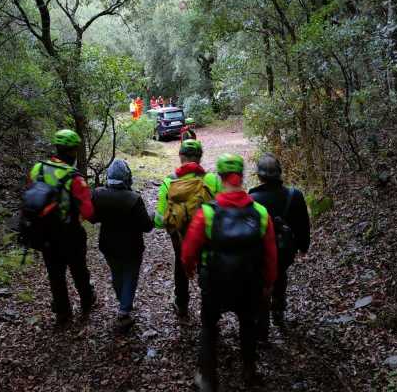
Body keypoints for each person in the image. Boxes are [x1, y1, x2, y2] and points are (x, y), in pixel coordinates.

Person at [182, 154, 277, 391]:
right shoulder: (261, 213)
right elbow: (271, 254)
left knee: (209, 325)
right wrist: (268, 282)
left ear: (220, 177)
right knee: (247, 324)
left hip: (215, 282)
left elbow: (188, 251)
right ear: (242, 176)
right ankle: (249, 370)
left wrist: (190, 269)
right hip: (249, 282)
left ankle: (207, 377)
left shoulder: (208, 213)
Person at [26, 129, 96, 326]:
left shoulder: (37, 169)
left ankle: (63, 314)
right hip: (70, 233)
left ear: (57, 148)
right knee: (79, 270)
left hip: (44, 233)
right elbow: (89, 212)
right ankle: (87, 300)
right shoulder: (74, 177)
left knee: (55, 275)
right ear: (73, 152)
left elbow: (30, 195)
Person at [154, 139, 222, 318]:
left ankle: (181, 304)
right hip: (207, 237)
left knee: (180, 264)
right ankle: (209, 306)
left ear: (180, 156)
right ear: (200, 157)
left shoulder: (169, 181)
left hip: (180, 237)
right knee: (207, 266)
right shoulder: (213, 180)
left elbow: (159, 221)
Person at [249, 153, 311, 338]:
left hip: (261, 252)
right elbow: (303, 224)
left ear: (259, 176)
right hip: (285, 251)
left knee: (261, 282)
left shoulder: (252, 198)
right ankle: (278, 310)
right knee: (280, 275)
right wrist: (303, 246)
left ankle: (263, 323)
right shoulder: (295, 195)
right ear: (279, 173)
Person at [91, 159, 153, 330]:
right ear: (127, 177)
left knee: (117, 274)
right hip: (132, 247)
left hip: (108, 246)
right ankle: (124, 311)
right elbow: (147, 226)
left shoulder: (97, 194)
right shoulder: (134, 199)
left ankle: (123, 303)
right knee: (130, 277)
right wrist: (153, 217)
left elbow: (92, 217)